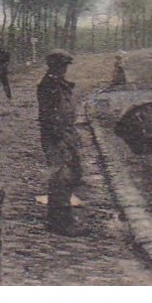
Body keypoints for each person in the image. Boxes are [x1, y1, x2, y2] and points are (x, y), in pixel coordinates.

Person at [37, 49, 87, 236]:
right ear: (55, 67)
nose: (65, 69)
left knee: (72, 175)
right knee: (61, 178)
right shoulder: (48, 86)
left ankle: (59, 218)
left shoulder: (60, 84)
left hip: (67, 134)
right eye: (62, 66)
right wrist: (60, 138)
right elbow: (49, 116)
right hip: (56, 137)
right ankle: (60, 221)